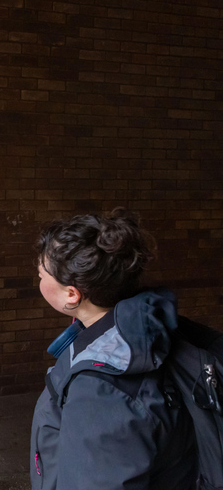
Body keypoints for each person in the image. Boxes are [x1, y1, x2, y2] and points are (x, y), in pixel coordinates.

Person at [30, 209, 197, 490]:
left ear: (72, 294)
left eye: (41, 274)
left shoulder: (100, 392)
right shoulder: (149, 324)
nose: (39, 279)